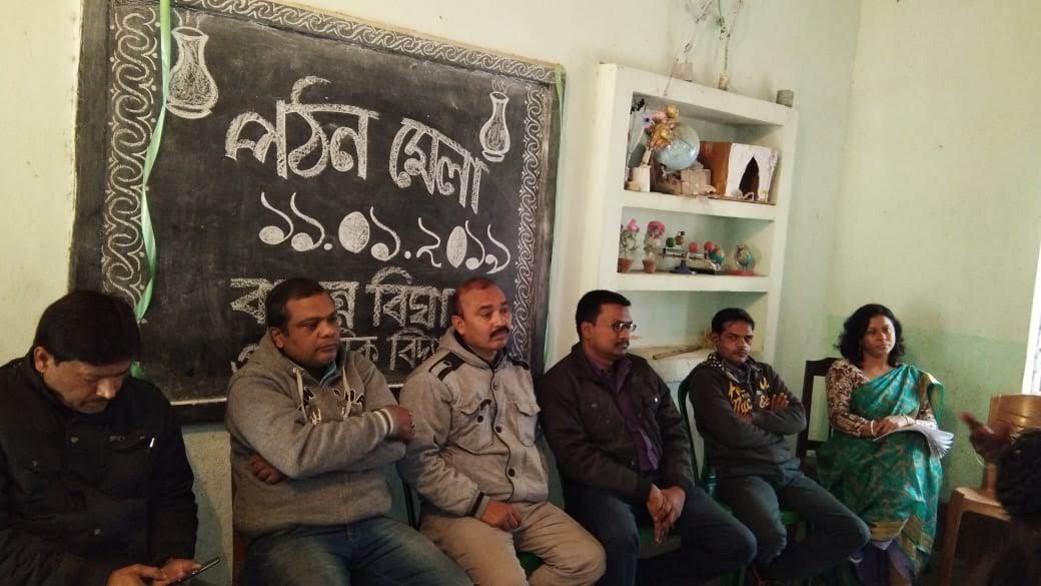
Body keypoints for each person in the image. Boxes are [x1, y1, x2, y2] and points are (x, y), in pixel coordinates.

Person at [225, 278, 470, 586]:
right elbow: (299, 455)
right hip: (290, 535)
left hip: (371, 526)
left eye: (332, 319)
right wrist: (383, 422)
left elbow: (396, 447)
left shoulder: (360, 368)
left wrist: (302, 462)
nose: (328, 331)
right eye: (311, 325)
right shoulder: (253, 385)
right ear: (279, 337)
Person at [538, 290, 756, 586]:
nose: (625, 334)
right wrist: (645, 491)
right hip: (603, 492)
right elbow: (577, 458)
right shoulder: (559, 383)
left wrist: (679, 486)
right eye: (617, 326)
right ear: (587, 329)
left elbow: (675, 431)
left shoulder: (639, 369)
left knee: (739, 543)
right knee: (620, 540)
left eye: (629, 326)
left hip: (663, 481)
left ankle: (644, 580)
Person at [399, 278, 605, 586]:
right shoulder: (432, 380)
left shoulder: (519, 371)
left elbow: (534, 441)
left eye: (504, 311)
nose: (500, 321)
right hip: (461, 513)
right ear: (460, 324)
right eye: (486, 314)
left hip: (527, 506)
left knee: (589, 560)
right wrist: (480, 505)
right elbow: (417, 463)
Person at [0, 290, 200, 585]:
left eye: (121, 374)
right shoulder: (7, 408)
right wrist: (99, 579)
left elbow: (172, 495)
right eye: (91, 378)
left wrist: (170, 558)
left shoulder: (146, 405)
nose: (109, 392)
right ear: (43, 359)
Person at [682, 307, 869, 584]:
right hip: (743, 474)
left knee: (854, 531)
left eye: (748, 338)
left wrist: (757, 417)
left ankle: (772, 576)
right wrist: (775, 426)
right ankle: (769, 575)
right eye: (733, 337)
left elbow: (798, 418)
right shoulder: (706, 379)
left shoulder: (763, 372)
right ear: (715, 339)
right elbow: (734, 434)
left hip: (787, 470)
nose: (742, 345)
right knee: (773, 536)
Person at [815, 303, 944, 585]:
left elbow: (931, 423)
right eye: (872, 332)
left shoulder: (913, 377)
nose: (882, 336)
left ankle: (886, 551)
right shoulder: (844, 370)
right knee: (905, 458)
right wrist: (874, 427)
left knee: (913, 452)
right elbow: (838, 416)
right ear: (859, 338)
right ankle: (874, 546)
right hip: (854, 450)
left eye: (887, 330)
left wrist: (903, 420)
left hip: (902, 456)